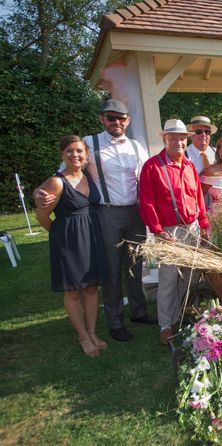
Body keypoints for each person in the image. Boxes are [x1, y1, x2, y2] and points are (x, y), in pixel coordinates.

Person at [35, 99, 154, 342]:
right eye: (111, 117)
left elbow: (147, 176)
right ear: (102, 118)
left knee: (135, 264)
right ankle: (115, 321)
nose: (116, 122)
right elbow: (65, 173)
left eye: (121, 118)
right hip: (106, 212)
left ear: (128, 120)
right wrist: (39, 192)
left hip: (135, 211)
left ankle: (139, 311)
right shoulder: (89, 143)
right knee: (110, 269)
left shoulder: (136, 146)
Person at [35, 136, 108, 357]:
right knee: (73, 289)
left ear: (86, 154)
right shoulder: (57, 182)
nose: (74, 155)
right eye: (69, 151)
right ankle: (83, 336)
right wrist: (60, 236)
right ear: (62, 154)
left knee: (92, 287)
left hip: (92, 236)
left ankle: (93, 331)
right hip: (68, 241)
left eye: (79, 151)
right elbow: (42, 215)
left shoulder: (88, 176)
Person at [138, 119, 210, 345]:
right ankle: (165, 325)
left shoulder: (189, 165)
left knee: (191, 276)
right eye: (174, 138)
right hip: (168, 232)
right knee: (168, 278)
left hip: (192, 228)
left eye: (182, 138)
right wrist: (158, 231)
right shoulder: (152, 167)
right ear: (165, 139)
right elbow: (146, 202)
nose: (178, 142)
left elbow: (198, 196)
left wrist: (204, 223)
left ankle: (182, 312)